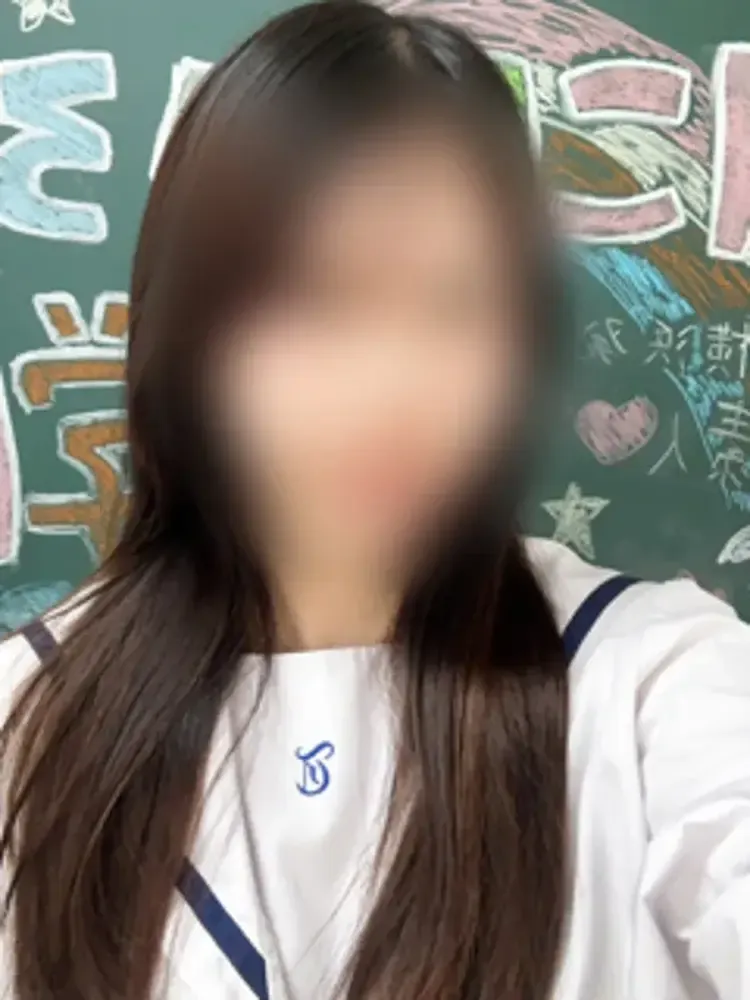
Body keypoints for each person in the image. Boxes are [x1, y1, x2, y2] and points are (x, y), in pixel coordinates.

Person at [1, 2, 749, 998]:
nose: (392, 386)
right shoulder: (33, 713)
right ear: (190, 335)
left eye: (458, 303)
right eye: (314, 299)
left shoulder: (648, 675)